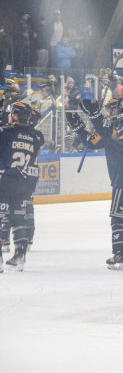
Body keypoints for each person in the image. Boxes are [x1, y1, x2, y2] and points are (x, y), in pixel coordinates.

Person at [68, 98, 123, 269]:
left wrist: (91, 119)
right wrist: (81, 128)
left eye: (110, 110)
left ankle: (119, 255)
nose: (108, 113)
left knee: (118, 218)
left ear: (118, 109)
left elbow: (101, 136)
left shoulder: (118, 128)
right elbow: (94, 141)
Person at [0, 102, 43, 271]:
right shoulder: (36, 136)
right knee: (19, 217)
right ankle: (20, 256)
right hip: (25, 181)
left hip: (6, 180)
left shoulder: (5, 133)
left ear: (16, 115)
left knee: (2, 216)